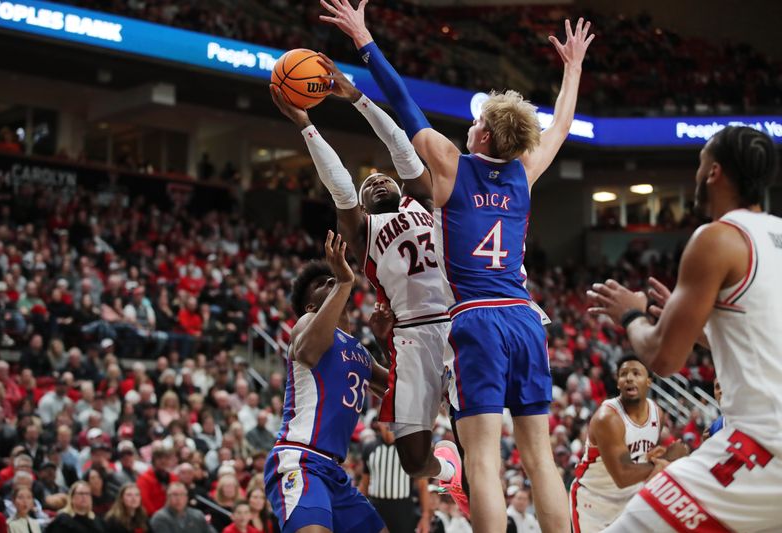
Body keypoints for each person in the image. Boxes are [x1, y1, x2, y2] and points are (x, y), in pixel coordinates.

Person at [321, 2, 593, 530]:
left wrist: (363, 38)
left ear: (485, 136)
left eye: (477, 122)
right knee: (541, 460)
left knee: (484, 461)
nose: (470, 126)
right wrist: (573, 67)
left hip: (477, 321)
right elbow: (560, 123)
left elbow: (402, 100)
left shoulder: (450, 166)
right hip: (525, 318)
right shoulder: (523, 171)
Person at [270, 54, 461, 499]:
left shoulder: (424, 199)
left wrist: (357, 97)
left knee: (472, 424)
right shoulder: (364, 233)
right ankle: (447, 472)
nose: (376, 180)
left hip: (456, 320)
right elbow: (338, 182)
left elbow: (401, 146)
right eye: (367, 184)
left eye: (383, 179)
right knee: (413, 460)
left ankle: (472, 474)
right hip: (412, 334)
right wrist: (306, 125)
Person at [587, 126, 781, 532]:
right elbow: (758, 345)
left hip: (764, 447)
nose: (696, 175)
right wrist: (688, 324)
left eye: (699, 164)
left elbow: (663, 359)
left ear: (714, 172)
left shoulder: (718, 238)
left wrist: (631, 314)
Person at [264, 232, 389, 533]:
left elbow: (399, 389)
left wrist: (386, 341)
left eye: (332, 279)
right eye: (322, 284)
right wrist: (344, 283)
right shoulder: (307, 324)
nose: (331, 281)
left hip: (334, 470)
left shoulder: (359, 350)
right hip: (300, 458)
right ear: (310, 306)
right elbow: (307, 351)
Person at [570, 355, 685, 532]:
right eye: (623, 374)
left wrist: (656, 458)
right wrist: (668, 459)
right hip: (595, 502)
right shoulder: (607, 418)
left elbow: (642, 461)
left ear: (648, 381)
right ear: (618, 383)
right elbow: (622, 476)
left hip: (631, 498)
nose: (629, 378)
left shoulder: (657, 413)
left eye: (636, 373)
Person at [360, 422, 429, 532]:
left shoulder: (410, 449)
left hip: (403, 510)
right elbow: (364, 484)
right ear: (379, 423)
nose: (389, 424)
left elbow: (422, 485)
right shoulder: (369, 448)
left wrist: (425, 516)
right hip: (376, 508)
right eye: (385, 420)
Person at [149, 482, 213, 533]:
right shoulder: (160, 518)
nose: (178, 498)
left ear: (187, 498)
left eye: (182, 494)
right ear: (167, 497)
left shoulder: (198, 515)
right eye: (175, 495)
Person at [136, 446, 177, 516]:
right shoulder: (144, 479)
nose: (163, 461)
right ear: (153, 461)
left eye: (166, 458)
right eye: (160, 458)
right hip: (152, 517)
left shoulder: (174, 478)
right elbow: (145, 502)